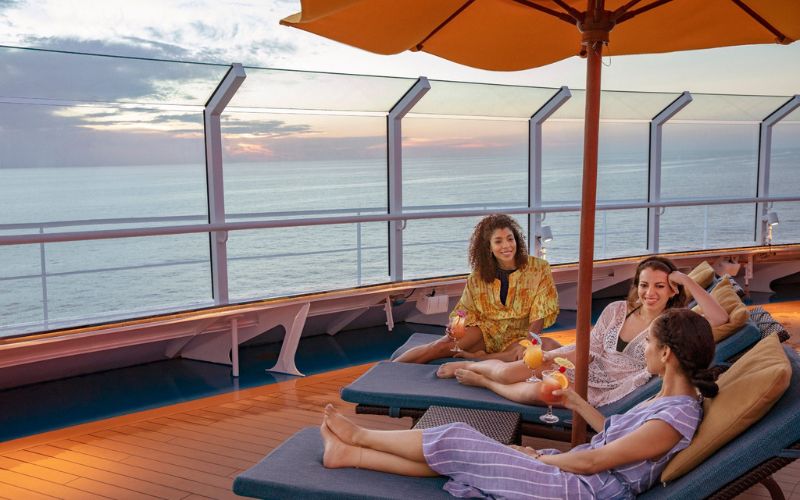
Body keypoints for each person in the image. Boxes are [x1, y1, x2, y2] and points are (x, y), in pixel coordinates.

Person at [320, 309, 719, 499]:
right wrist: (575, 400)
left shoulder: (674, 417)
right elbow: (613, 434)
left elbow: (597, 462)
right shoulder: (671, 399)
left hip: (582, 491)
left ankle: (359, 436)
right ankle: (348, 455)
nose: (644, 348)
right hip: (578, 475)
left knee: (459, 439)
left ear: (666, 354)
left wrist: (541, 460)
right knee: (467, 456)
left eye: (649, 342)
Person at [437, 255, 728, 408]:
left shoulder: (675, 323)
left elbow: (719, 317)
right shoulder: (617, 309)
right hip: (586, 363)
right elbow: (591, 348)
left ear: (672, 290)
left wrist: (687, 281)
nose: (649, 293)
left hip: (615, 389)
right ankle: (472, 364)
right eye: (644, 284)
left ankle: (484, 382)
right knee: (514, 370)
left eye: (660, 286)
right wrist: (558, 359)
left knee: (542, 392)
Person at [394, 214, 560, 364]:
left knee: (527, 353)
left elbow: (540, 314)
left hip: (518, 337)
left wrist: (529, 344)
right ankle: (388, 370)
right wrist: (454, 325)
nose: (507, 246)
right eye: (498, 241)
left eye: (510, 239)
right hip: (485, 331)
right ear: (488, 246)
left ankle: (481, 358)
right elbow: (464, 311)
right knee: (440, 346)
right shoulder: (478, 276)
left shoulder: (539, 269)